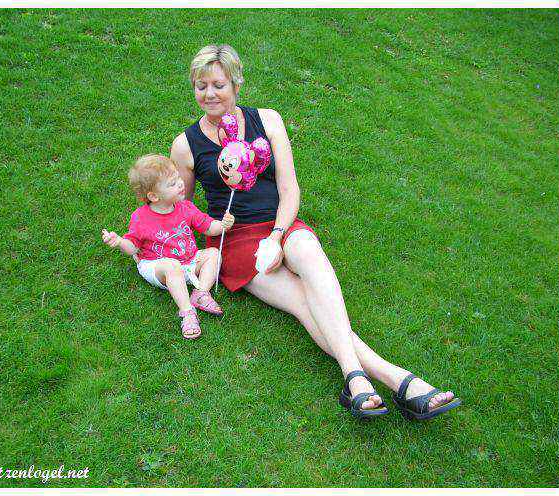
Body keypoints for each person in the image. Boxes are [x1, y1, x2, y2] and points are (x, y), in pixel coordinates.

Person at [170, 44, 461, 419]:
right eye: (200, 86)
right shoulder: (185, 145)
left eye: (218, 84)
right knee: (303, 302)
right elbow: (184, 208)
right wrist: (186, 249)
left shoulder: (268, 121)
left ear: (236, 84)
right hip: (235, 240)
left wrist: (276, 237)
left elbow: (289, 189)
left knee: (311, 259)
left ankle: (360, 381)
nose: (209, 94)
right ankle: (390, 379)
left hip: (281, 223)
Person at [102, 153, 235, 340]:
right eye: (172, 183)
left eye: (178, 178)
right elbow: (133, 248)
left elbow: (207, 226)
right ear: (154, 196)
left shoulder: (186, 208)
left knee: (213, 254)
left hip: (188, 261)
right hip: (157, 266)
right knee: (172, 265)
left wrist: (222, 226)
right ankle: (187, 312)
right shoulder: (141, 218)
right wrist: (120, 242)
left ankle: (201, 293)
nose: (181, 184)